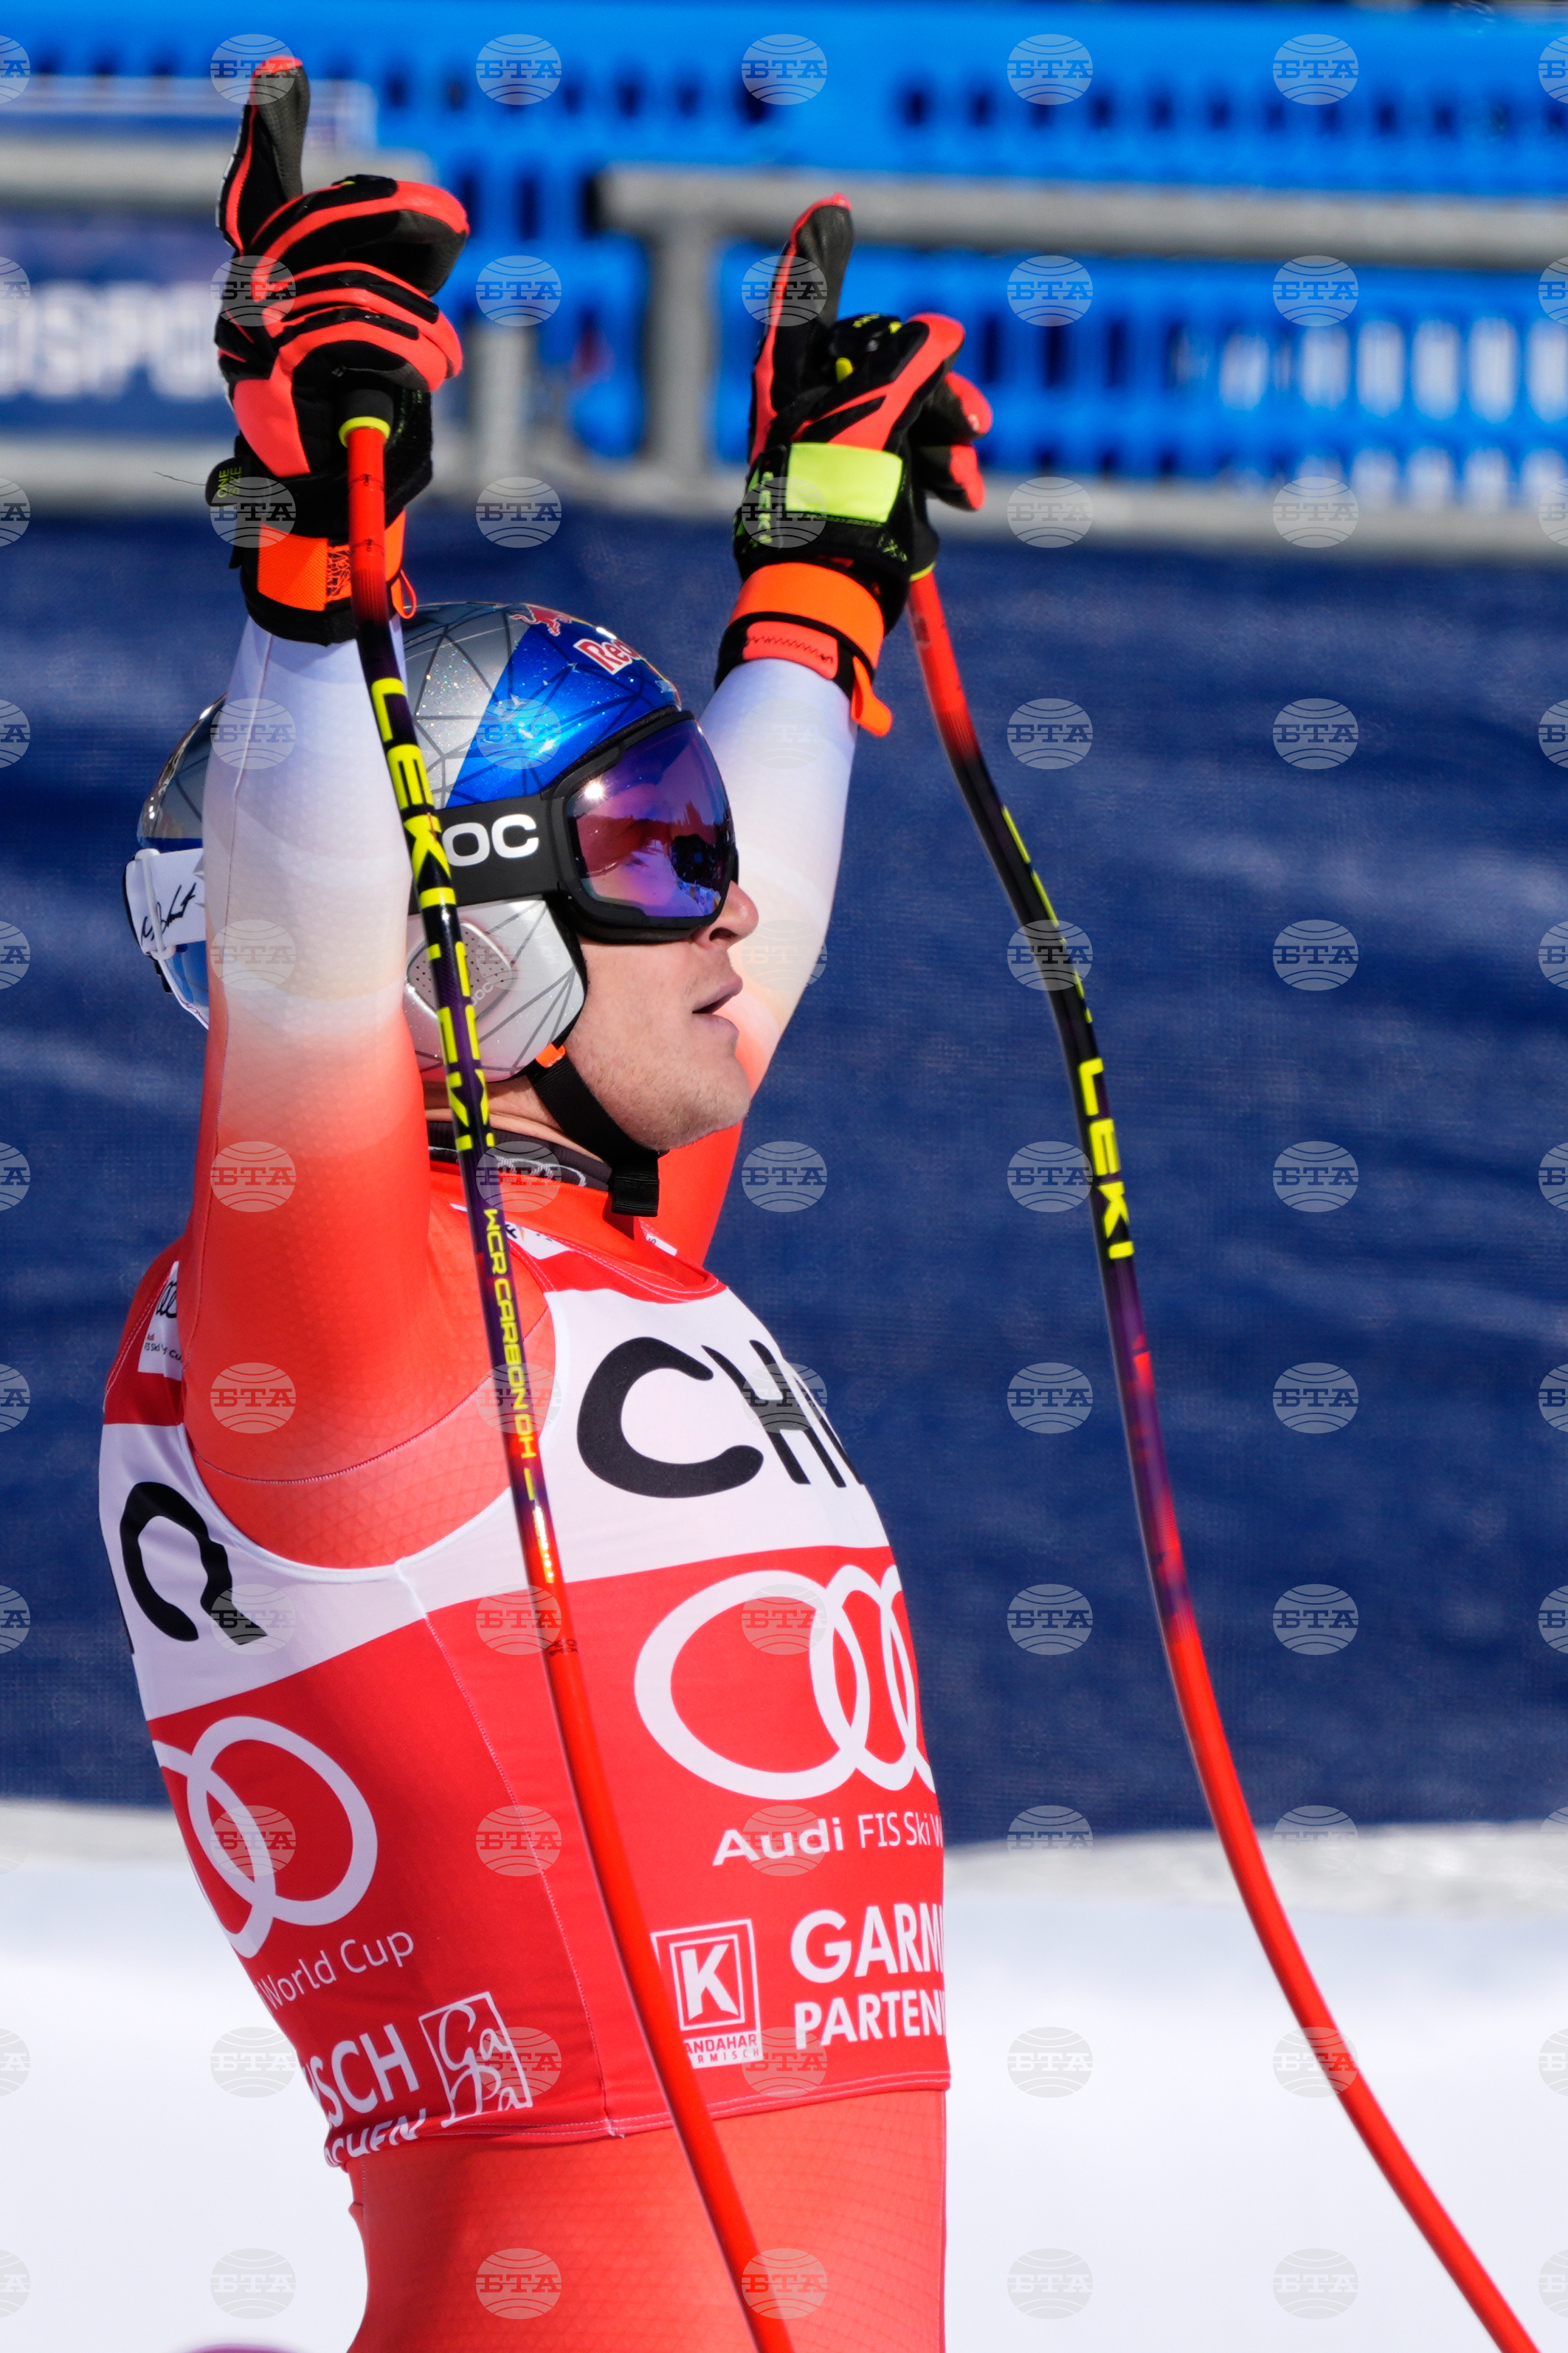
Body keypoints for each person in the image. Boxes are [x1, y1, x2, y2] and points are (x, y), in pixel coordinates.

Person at [104, 58, 987, 2353]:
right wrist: (316, 572)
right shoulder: (343, 1352)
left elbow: (727, 940)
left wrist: (809, 595)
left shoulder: (594, 1259)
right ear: (471, 953)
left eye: (708, 848)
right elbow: (313, 982)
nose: (731, 924)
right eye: (655, 859)